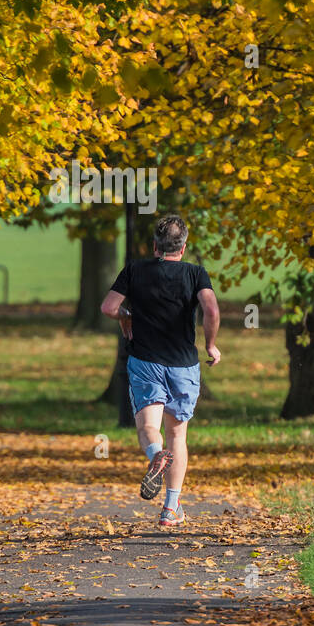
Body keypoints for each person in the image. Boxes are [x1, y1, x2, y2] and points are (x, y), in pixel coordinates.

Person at [100, 214, 221, 528]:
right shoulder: (196, 273)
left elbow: (108, 308)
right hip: (184, 365)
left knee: (148, 429)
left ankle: (155, 454)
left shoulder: (135, 270)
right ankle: (170, 509)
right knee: (177, 434)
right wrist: (210, 345)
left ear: (154, 245)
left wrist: (126, 315)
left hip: (145, 362)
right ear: (182, 248)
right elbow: (210, 308)